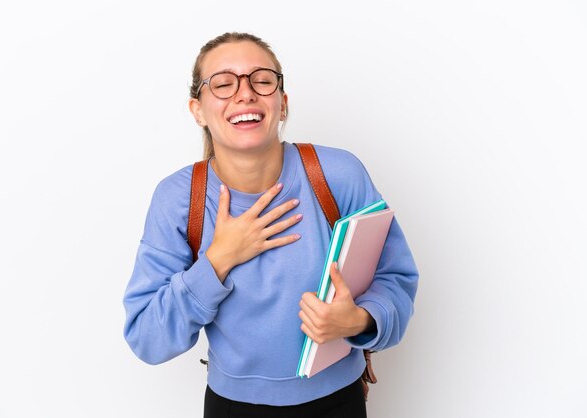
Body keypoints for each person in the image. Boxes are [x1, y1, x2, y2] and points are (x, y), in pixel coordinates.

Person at [123, 32, 419, 418]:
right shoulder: (178, 200)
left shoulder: (338, 174)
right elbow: (147, 337)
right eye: (224, 84)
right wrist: (217, 261)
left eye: (262, 80)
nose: (245, 94)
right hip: (232, 407)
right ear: (197, 110)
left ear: (282, 103)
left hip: (338, 401)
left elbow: (395, 277)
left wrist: (360, 319)